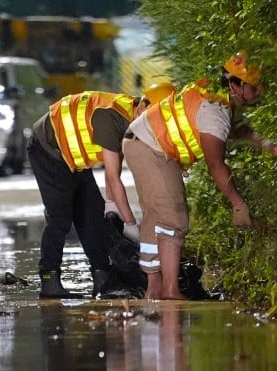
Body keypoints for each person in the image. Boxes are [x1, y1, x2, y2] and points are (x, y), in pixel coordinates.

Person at [122, 52, 267, 300]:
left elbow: (233, 130)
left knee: (156, 215)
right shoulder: (216, 111)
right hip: (150, 147)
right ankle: (169, 290)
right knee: (173, 216)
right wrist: (238, 205)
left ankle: (154, 288)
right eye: (253, 87)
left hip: (140, 141)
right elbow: (216, 164)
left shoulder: (214, 95)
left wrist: (263, 142)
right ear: (234, 85)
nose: (258, 93)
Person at [29, 81, 177, 299]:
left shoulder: (133, 121)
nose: (153, 125)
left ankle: (103, 278)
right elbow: (112, 175)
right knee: (60, 217)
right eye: (153, 117)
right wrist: (129, 223)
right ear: (143, 105)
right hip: (48, 148)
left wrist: (112, 207)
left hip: (73, 156)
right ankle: (49, 279)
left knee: (92, 214)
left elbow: (114, 175)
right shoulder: (112, 119)